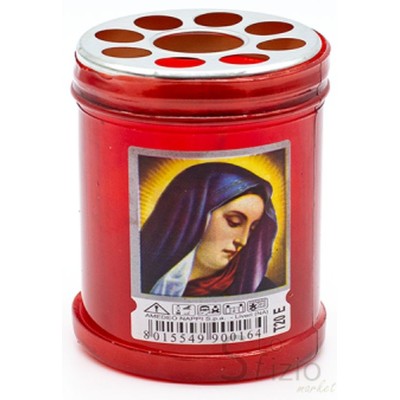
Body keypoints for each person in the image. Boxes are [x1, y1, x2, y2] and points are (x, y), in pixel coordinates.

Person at [140, 162, 278, 297]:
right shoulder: (141, 275)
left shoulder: (261, 289)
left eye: (252, 229)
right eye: (233, 222)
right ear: (192, 217)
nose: (242, 241)